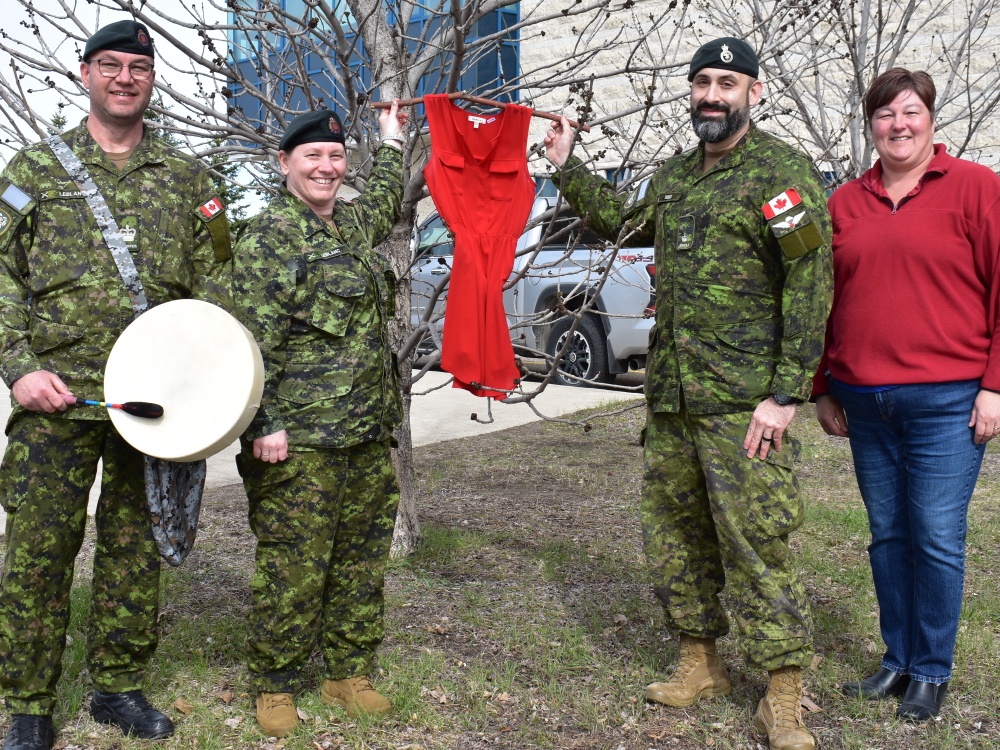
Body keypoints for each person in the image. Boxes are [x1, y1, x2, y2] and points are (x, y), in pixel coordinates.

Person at [544, 37, 833, 750]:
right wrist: (566, 163)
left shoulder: (781, 174)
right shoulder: (675, 177)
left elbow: (810, 281)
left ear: (753, 93)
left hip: (744, 400)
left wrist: (786, 394)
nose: (711, 94)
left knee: (757, 542)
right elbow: (620, 223)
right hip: (671, 397)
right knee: (674, 536)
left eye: (726, 83)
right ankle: (700, 661)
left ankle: (783, 694)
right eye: (702, 82)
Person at [0, 19, 232, 750]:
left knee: (134, 549)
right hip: (56, 399)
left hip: (155, 404)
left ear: (151, 79)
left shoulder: (194, 180)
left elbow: (219, 281)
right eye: (110, 65)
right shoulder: (33, 171)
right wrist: (18, 366)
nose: (124, 77)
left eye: (137, 67)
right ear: (84, 74)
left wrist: (207, 382)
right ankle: (30, 703)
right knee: (38, 552)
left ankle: (117, 688)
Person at [814, 68, 1000, 722]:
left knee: (936, 535)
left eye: (910, 111)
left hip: (948, 401)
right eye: (886, 114)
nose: (898, 124)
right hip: (864, 401)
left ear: (930, 118)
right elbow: (822, 302)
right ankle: (896, 661)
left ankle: (930, 671)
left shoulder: (977, 189)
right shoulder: (844, 202)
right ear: (872, 124)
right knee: (888, 534)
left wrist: (995, 386)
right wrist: (821, 386)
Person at [231, 104, 407, 738]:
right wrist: (263, 424)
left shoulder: (352, 226)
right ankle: (274, 682)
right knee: (294, 564)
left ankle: (347, 671)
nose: (326, 167)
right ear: (285, 164)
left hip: (363, 432)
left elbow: (387, 195)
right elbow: (247, 345)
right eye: (313, 157)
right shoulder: (268, 237)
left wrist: (391, 140)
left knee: (360, 559)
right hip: (298, 440)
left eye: (335, 157)